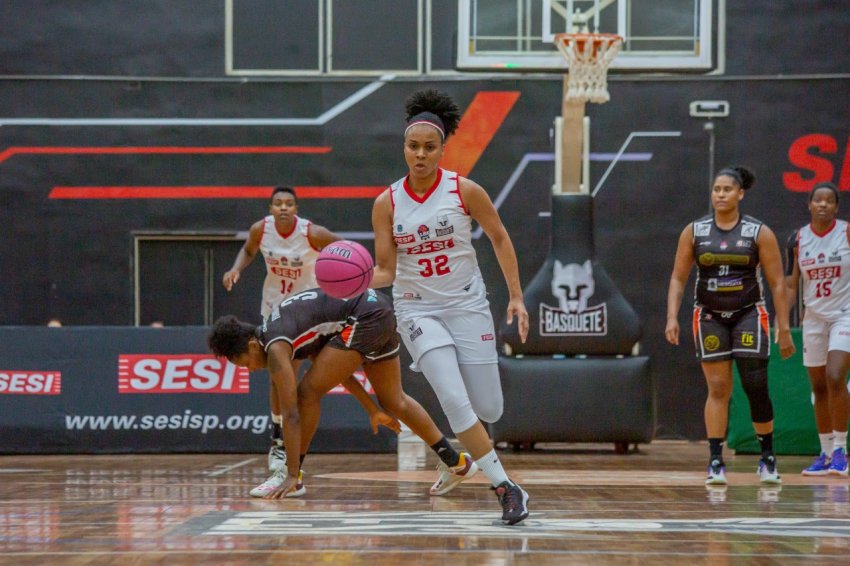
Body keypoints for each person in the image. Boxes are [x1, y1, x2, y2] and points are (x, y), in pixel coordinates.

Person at [370, 89, 531, 525]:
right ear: (404, 147)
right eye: (412, 146)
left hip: (466, 305)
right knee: (453, 399)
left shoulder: (465, 191)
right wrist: (352, 282)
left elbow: (499, 237)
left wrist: (516, 295)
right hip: (416, 309)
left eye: (429, 147)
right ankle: (507, 488)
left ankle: (479, 453)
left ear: (443, 148)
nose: (420, 155)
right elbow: (386, 269)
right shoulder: (386, 203)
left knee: (488, 407)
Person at [207, 287, 478, 501]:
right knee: (394, 401)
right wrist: (372, 409)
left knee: (305, 395)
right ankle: (455, 461)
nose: (251, 370)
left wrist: (290, 474)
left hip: (365, 317)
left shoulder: (277, 347)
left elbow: (290, 415)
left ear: (252, 345)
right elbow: (338, 369)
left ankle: (294, 476)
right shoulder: (284, 329)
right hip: (377, 310)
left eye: (245, 363)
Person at [665, 165, 795, 486]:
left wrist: (784, 326)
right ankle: (714, 460)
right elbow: (679, 278)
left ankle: (767, 458)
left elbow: (778, 283)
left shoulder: (758, 232)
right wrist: (671, 316)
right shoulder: (694, 231)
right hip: (709, 316)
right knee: (719, 389)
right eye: (716, 190)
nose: (720, 195)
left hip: (749, 313)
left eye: (726, 190)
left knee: (755, 387)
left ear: (740, 194)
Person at [222, 185, 346, 495]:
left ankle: (289, 451)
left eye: (289, 203)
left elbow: (344, 249)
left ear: (296, 208)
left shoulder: (312, 233)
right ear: (271, 207)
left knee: (295, 376)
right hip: (273, 308)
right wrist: (236, 268)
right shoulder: (260, 230)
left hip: (306, 312)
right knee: (278, 378)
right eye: (278, 203)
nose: (283, 208)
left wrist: (337, 277)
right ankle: (278, 438)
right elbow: (249, 250)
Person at [785, 182, 850, 477]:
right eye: (818, 200)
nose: (823, 205)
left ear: (836, 207)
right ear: (809, 204)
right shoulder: (797, 239)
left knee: (835, 376)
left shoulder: (846, 232)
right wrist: (782, 322)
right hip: (814, 319)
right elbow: (790, 284)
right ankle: (824, 453)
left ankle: (840, 449)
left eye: (829, 201)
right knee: (819, 387)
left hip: (845, 315)